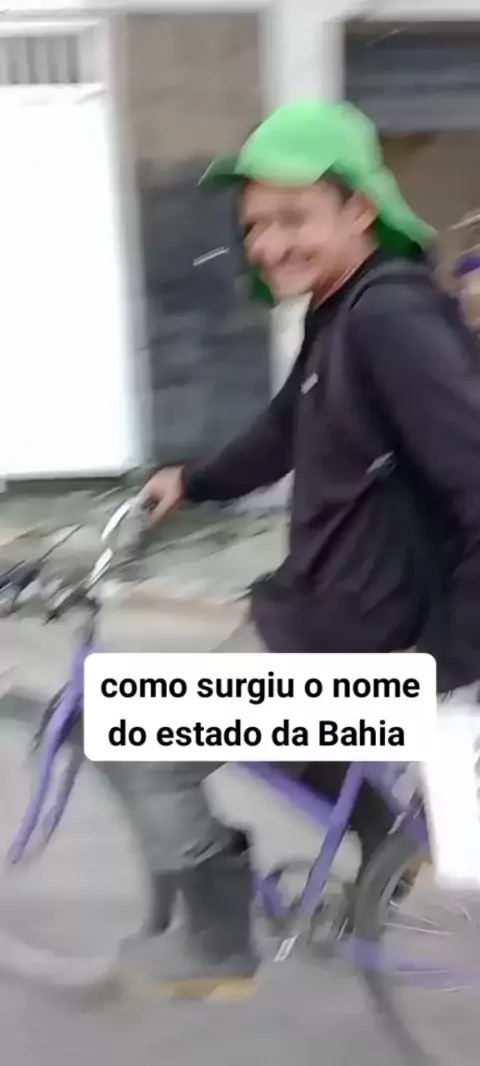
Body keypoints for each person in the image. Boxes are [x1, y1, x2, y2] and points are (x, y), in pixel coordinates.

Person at [121, 99, 480, 998]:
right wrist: (194, 481)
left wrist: (439, 661)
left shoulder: (390, 319)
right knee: (274, 731)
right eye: (255, 225)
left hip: (357, 635)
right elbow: (287, 427)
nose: (269, 244)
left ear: (359, 209)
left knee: (144, 740)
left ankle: (215, 951)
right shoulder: (343, 308)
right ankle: (392, 851)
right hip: (324, 608)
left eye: (293, 219)